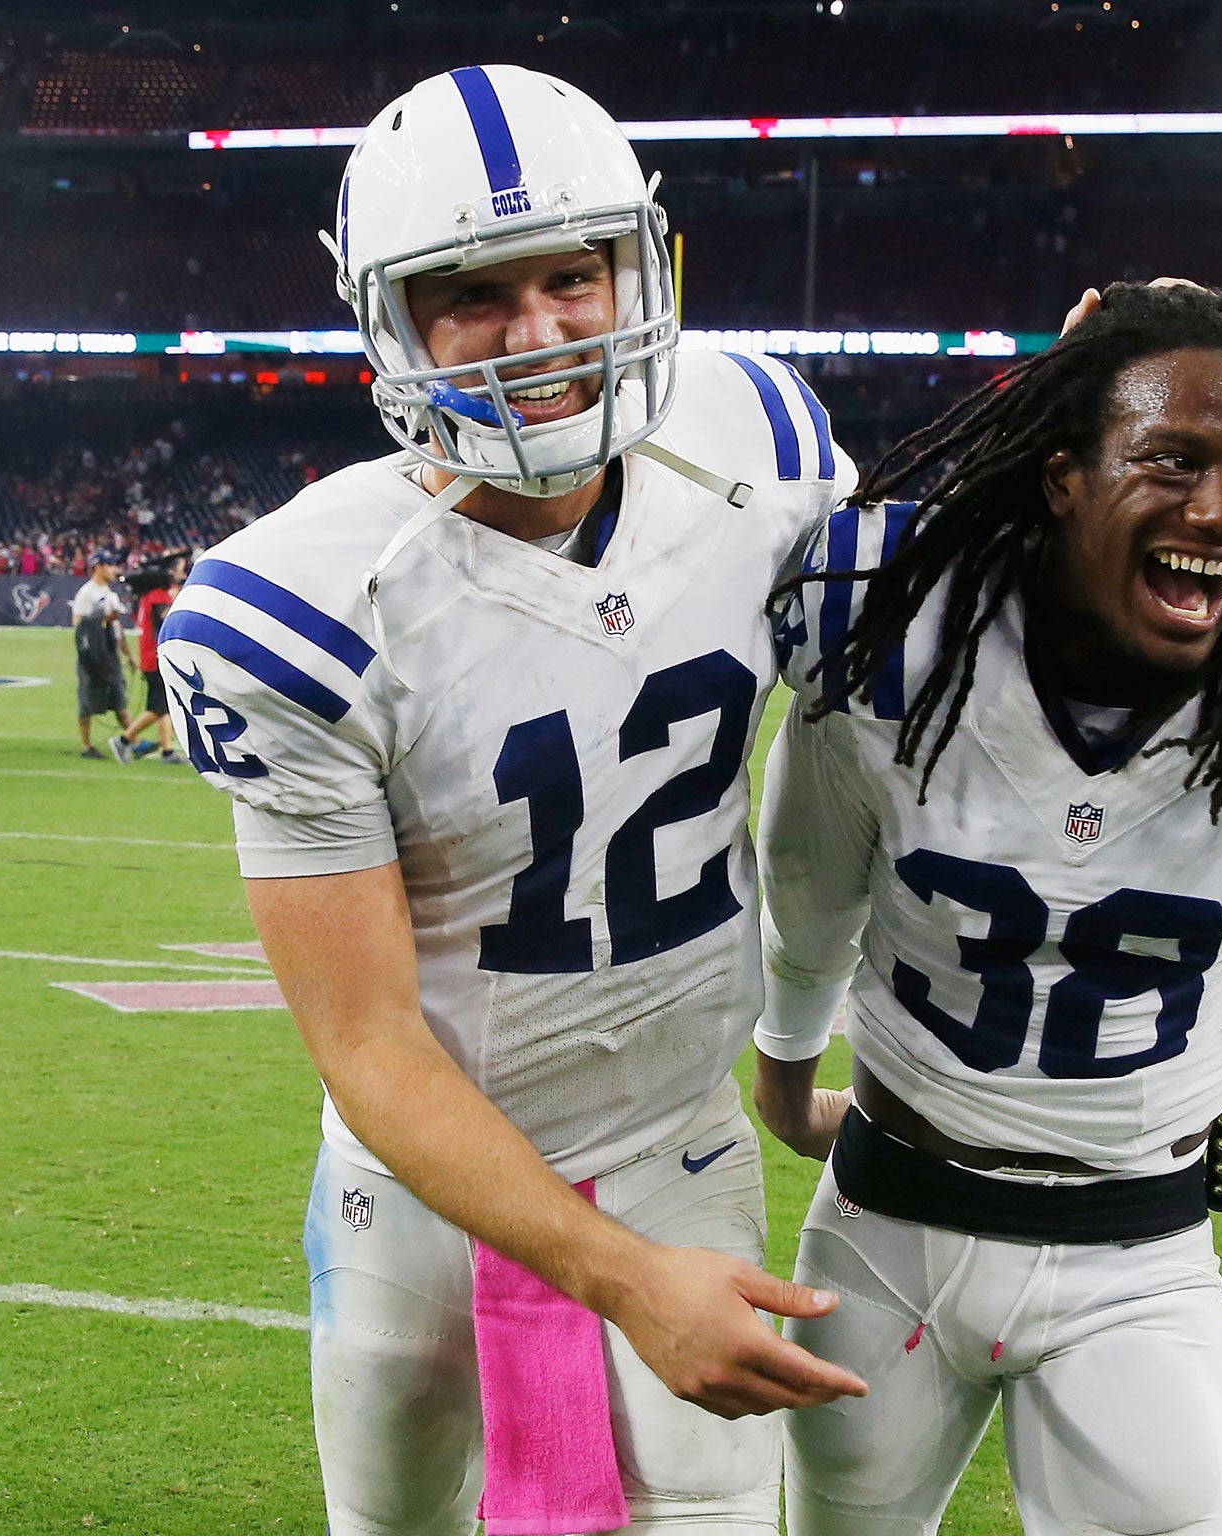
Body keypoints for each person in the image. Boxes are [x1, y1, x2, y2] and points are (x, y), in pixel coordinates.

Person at [157, 65, 871, 1536]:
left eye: (572, 275)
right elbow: (366, 1042)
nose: (537, 334)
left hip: (678, 1139)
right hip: (423, 1190)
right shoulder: (300, 607)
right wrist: (616, 1279)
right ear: (387, 319)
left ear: (641, 268)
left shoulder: (764, 449)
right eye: (471, 294)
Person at [753, 284, 1222, 1536]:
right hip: (889, 1217)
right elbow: (807, 896)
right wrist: (779, 1074)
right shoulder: (895, 642)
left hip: (1136, 1250)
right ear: (1061, 480)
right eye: (1170, 457)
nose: (1220, 511)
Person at [112, 553, 187, 764]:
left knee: (163, 705)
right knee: (157, 707)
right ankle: (125, 740)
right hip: (156, 658)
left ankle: (167, 750)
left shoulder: (148, 595)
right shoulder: (159, 597)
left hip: (149, 656)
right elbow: (168, 617)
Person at [71, 560, 133, 759]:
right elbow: (78, 624)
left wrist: (128, 655)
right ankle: (86, 744)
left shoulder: (110, 594)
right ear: (98, 567)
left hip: (110, 652)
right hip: (94, 654)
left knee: (119, 699)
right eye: (110, 565)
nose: (114, 569)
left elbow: (118, 628)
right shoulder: (87, 593)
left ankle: (133, 741)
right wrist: (102, 622)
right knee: (87, 699)